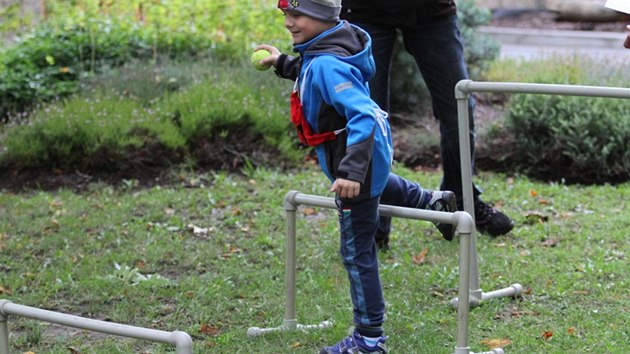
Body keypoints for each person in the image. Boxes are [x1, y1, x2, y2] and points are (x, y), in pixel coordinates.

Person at [255, 0, 456, 352]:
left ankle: (369, 339)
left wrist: (350, 172)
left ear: (320, 16)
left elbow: (365, 116)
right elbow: (310, 70)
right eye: (285, 14)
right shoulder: (329, 47)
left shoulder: (330, 64)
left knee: (356, 253)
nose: (288, 23)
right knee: (383, 185)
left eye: (296, 14)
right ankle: (431, 201)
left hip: (355, 163)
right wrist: (282, 63)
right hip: (365, 161)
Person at [339, 0, 514, 249]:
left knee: (459, 109)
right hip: (366, 11)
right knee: (367, 117)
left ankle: (460, 201)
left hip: (432, 11)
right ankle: (373, 221)